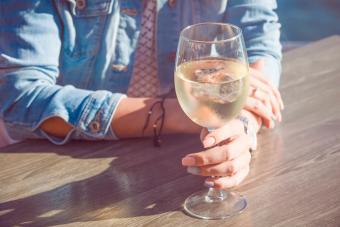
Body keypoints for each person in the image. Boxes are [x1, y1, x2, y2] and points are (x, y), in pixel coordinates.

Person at [0, 0, 283, 189]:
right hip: (57, 167)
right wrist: (184, 114)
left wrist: (240, 125)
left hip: (176, 158)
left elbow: (259, 47)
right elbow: (20, 99)